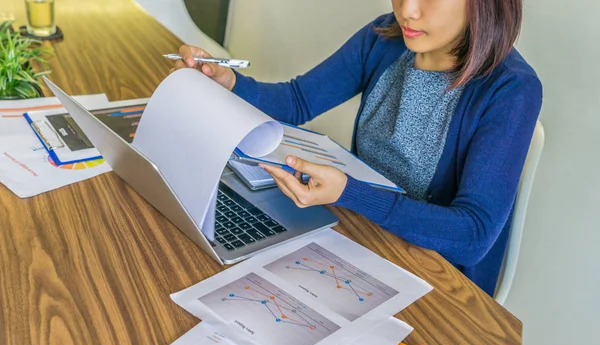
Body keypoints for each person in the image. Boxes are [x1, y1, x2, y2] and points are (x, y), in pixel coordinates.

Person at [171, 0, 543, 296]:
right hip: (357, 236)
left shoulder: (512, 89)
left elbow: (472, 235)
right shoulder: (386, 36)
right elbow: (297, 101)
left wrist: (351, 192)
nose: (407, 10)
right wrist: (229, 81)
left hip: (437, 278)